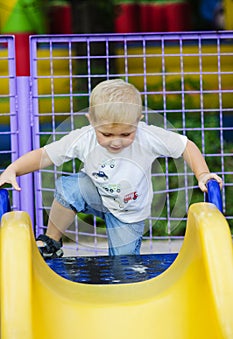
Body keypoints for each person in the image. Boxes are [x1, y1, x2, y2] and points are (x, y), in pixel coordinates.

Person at [0, 79, 222, 258]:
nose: (116, 141)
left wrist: (202, 174)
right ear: (91, 120)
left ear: (139, 120)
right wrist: (13, 169)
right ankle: (52, 241)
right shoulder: (83, 138)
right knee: (70, 188)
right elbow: (44, 155)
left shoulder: (148, 136)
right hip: (95, 194)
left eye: (126, 134)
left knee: (122, 265)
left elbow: (185, 146)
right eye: (106, 134)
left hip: (129, 212)